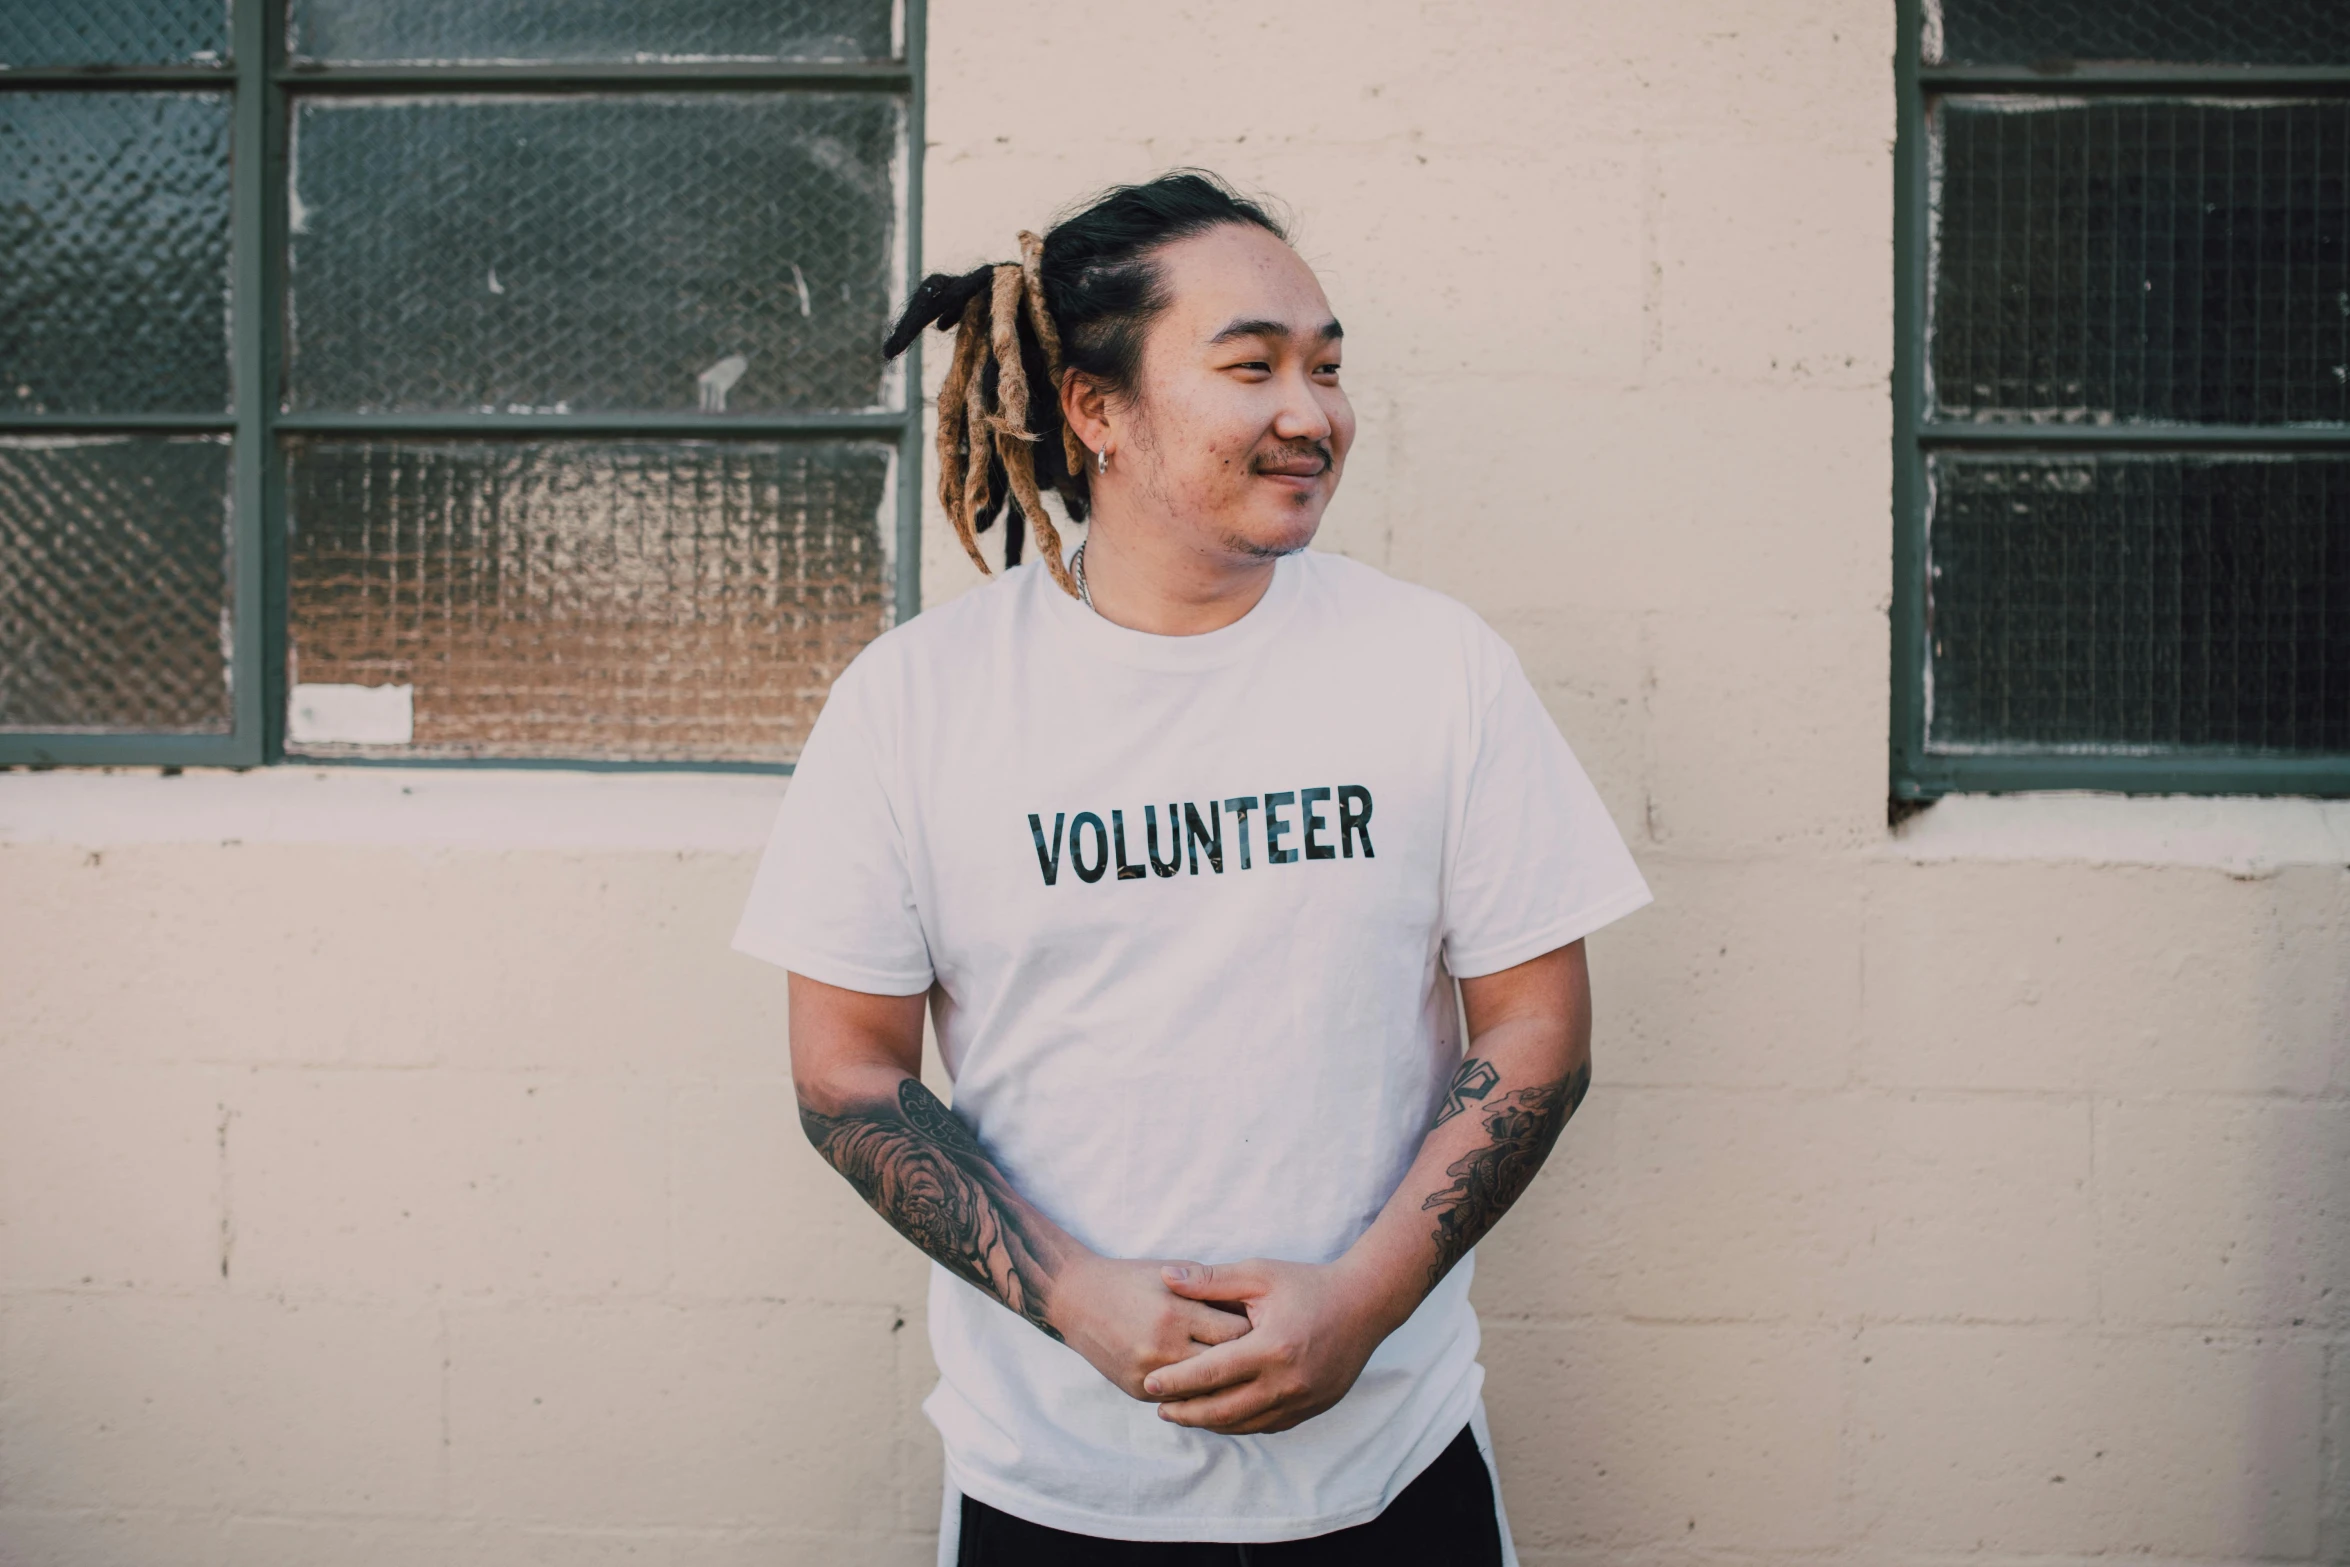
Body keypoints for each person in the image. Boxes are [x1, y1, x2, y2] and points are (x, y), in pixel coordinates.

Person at [733, 171, 1650, 1566]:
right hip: (1054, 1482)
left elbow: (1534, 1027)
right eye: (1252, 366)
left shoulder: (1434, 667)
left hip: (1389, 1470)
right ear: (1096, 411)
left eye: (1326, 367)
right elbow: (845, 1071)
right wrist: (1073, 1293)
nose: (1312, 412)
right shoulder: (918, 702)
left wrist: (1363, 1299)